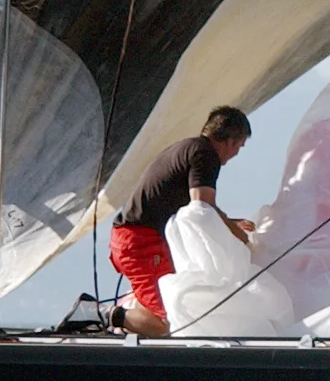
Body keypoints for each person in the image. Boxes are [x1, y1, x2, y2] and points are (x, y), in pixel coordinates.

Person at [105, 107, 254, 338]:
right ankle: (98, 313)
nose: (235, 155)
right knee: (168, 323)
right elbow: (201, 207)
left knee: (178, 298)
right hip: (140, 242)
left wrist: (231, 222)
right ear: (231, 141)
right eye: (240, 147)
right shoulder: (205, 154)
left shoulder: (188, 147)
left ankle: (125, 313)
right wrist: (236, 233)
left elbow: (196, 208)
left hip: (135, 238)